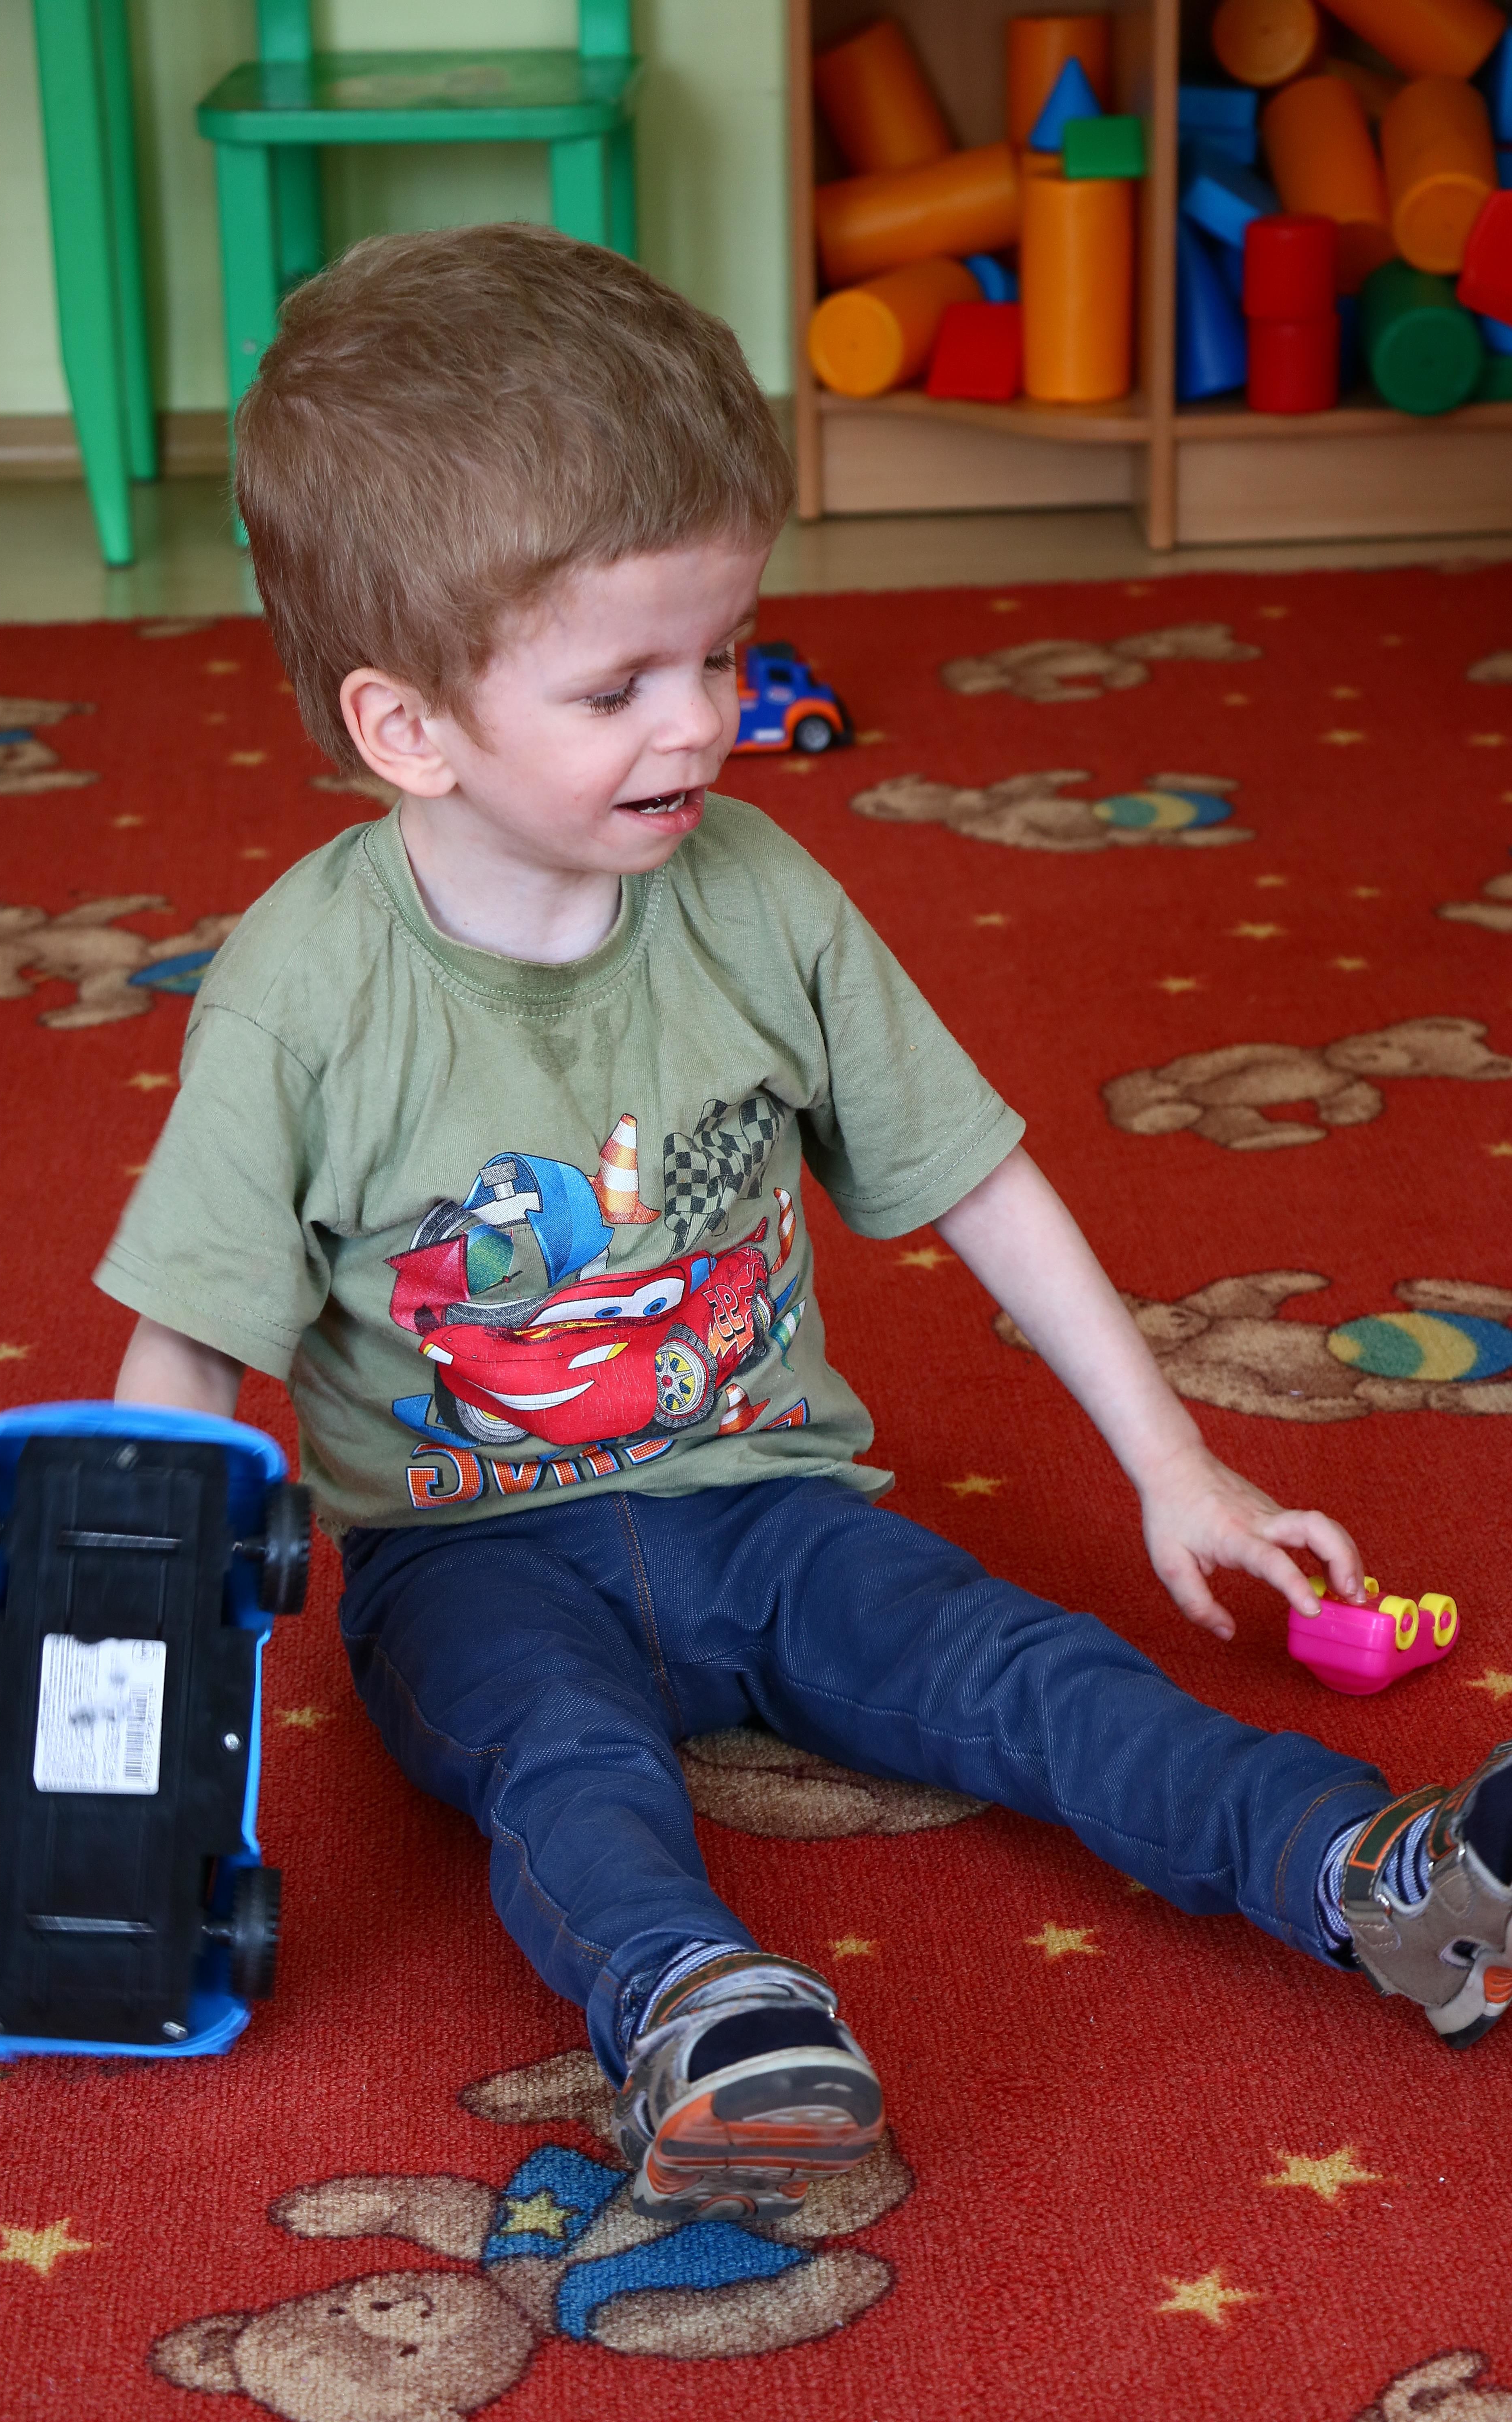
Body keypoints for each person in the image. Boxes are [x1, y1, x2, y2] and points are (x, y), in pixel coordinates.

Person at [99, 225, 1512, 2227]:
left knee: (1023, 1669)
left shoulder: (761, 899)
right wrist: (132, 1657)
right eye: (619, 685)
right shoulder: (300, 995)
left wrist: (1173, 1461)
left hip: (771, 1507)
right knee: (562, 1763)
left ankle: (1367, 1873)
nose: (702, 721)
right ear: (407, 727)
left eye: (722, 651)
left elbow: (977, 1175)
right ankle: (701, 2013)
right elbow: (189, 1328)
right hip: (465, 1557)